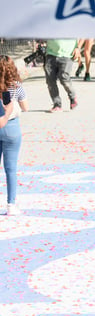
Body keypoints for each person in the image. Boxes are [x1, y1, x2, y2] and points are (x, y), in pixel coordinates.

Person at [0, 56, 27, 215]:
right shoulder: (16, 87)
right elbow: (25, 107)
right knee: (10, 168)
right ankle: (11, 204)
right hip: (11, 129)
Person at [44, 39, 80, 111]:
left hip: (67, 54)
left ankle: (73, 97)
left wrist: (78, 47)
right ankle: (57, 104)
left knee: (64, 77)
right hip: (51, 53)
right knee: (50, 80)